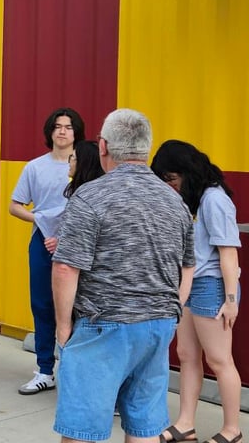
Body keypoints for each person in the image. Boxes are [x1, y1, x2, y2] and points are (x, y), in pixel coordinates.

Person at [51, 109, 195, 443]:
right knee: (144, 425)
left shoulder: (89, 197)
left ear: (103, 146)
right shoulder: (175, 202)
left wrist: (62, 328)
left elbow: (65, 266)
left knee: (82, 430)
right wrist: (172, 310)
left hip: (104, 323)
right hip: (157, 327)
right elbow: (188, 266)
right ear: (146, 148)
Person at [151, 140, 244, 443]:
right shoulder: (195, 200)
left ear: (187, 172)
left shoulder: (214, 199)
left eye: (172, 179)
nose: (171, 186)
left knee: (219, 360)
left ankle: (232, 429)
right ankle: (185, 423)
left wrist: (231, 301)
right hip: (191, 283)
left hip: (213, 286)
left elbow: (229, 253)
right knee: (187, 355)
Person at [7, 107, 83, 396]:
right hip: (42, 241)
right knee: (42, 303)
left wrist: (63, 235)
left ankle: (74, 371)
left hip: (77, 243)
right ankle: (44, 370)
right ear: (50, 132)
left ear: (77, 133)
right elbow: (15, 206)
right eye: (57, 126)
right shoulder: (35, 167)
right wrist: (41, 221)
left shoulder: (85, 167)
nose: (63, 131)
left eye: (69, 127)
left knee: (77, 307)